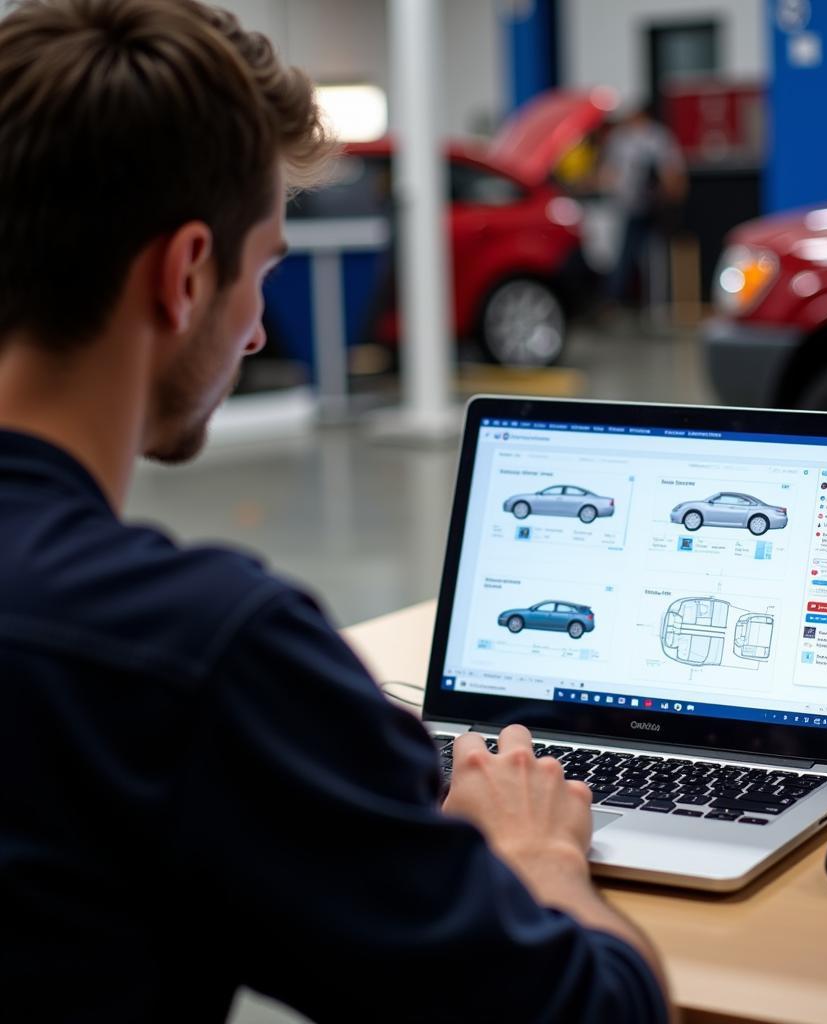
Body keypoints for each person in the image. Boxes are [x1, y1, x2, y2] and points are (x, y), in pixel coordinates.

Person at [0, 2, 671, 1022]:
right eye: (264, 265)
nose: (260, 329)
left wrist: (329, 733)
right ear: (185, 274)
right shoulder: (195, 651)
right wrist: (538, 857)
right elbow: (595, 1012)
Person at [601, 101, 687, 308]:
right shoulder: (620, 139)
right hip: (626, 206)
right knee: (625, 254)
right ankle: (618, 300)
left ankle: (657, 303)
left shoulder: (657, 137)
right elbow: (609, 172)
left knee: (655, 258)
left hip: (656, 207)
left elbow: (673, 173)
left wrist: (669, 196)